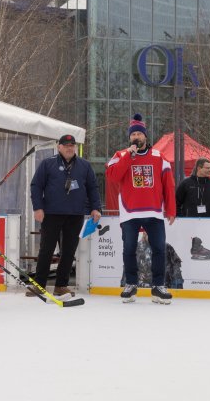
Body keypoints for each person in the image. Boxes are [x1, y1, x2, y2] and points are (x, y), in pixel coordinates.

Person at [105, 114, 176, 304]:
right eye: (133, 134)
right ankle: (131, 284)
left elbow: (168, 184)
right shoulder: (120, 155)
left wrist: (171, 209)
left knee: (159, 249)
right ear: (130, 138)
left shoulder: (159, 156)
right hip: (130, 212)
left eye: (139, 133)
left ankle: (158, 287)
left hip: (153, 212)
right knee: (129, 249)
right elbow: (113, 176)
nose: (136, 136)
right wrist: (129, 155)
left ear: (145, 136)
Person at [30, 134, 101, 297]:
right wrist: (38, 208)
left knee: (68, 251)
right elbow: (36, 186)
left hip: (75, 213)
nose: (70, 148)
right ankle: (39, 285)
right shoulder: (48, 164)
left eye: (72, 145)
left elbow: (93, 188)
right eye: (66, 145)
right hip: (51, 213)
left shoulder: (84, 165)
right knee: (46, 250)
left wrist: (95, 208)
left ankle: (61, 285)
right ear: (59, 147)